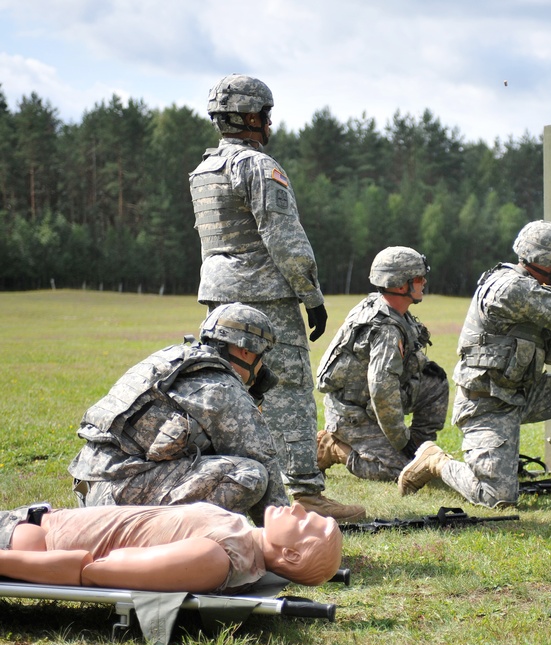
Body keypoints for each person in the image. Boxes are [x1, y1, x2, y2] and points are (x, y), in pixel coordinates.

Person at [190, 74, 362, 522]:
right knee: (288, 390)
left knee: (230, 390)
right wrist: (312, 296)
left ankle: (233, 490)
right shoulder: (258, 167)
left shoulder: (204, 171)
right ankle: (305, 494)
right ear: (250, 117)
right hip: (265, 299)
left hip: (219, 299)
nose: (269, 124)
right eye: (266, 115)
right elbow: (284, 238)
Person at [397, 220, 551, 508]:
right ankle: (436, 462)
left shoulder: (535, 289)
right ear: (545, 260)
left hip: (521, 392)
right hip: (487, 403)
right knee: (497, 498)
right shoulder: (513, 289)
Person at [68, 304, 294, 526]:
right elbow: (263, 462)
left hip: (90, 487)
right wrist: (288, 535)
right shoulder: (222, 388)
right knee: (252, 475)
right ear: (247, 351)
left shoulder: (170, 359)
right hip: (118, 499)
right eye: (262, 356)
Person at [0, 501, 341, 593]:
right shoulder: (239, 534)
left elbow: (92, 571)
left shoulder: (214, 559)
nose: (295, 508)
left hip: (31, 541)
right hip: (37, 522)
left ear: (291, 554)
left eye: (303, 522)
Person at [315, 247, 448, 482]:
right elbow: (381, 392)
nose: (424, 281)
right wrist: (401, 441)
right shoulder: (386, 329)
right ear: (399, 286)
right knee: (400, 471)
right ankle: (333, 447)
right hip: (353, 414)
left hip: (368, 403)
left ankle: (419, 449)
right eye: (418, 278)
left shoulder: (386, 307)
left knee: (435, 383)